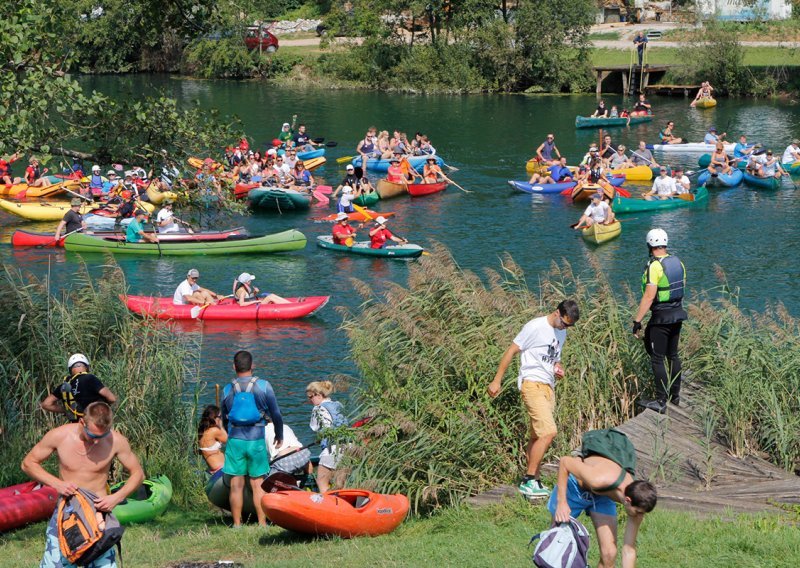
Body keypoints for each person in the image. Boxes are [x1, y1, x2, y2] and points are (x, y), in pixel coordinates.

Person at [22, 401, 144, 568]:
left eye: (101, 436)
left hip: (98, 514)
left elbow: (138, 474)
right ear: (82, 422)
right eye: (92, 436)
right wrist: (57, 484)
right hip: (67, 514)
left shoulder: (116, 441)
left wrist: (116, 497)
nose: (96, 442)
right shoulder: (59, 436)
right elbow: (28, 463)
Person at [487, 300, 580, 498]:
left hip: (548, 387)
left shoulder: (561, 332)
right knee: (549, 432)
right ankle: (528, 480)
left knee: (537, 436)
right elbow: (512, 350)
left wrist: (557, 368)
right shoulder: (535, 326)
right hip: (532, 384)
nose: (566, 328)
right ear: (557, 313)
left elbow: (554, 357)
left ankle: (535, 481)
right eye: (564, 323)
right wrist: (497, 380)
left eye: (569, 326)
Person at [549, 430, 658, 568]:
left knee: (609, 554)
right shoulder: (598, 479)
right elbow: (565, 462)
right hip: (575, 487)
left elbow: (629, 549)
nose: (640, 516)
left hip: (602, 497)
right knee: (557, 544)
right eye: (639, 512)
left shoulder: (637, 502)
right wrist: (562, 502)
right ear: (628, 500)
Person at [221, 350, 284, 527]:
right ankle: (262, 524)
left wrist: (229, 433)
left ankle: (237, 524)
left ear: (234, 367)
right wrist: (279, 434)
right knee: (257, 484)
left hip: (235, 440)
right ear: (252, 365)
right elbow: (276, 414)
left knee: (236, 484)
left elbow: (225, 417)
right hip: (256, 439)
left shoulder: (227, 389)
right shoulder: (263, 386)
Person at [632, 229, 687, 414]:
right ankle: (675, 395)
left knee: (657, 358)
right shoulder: (677, 262)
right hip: (677, 314)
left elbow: (649, 297)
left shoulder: (654, 266)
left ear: (649, 245)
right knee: (672, 355)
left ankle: (661, 401)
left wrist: (637, 321)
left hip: (661, 318)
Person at [40, 354, 117, 423]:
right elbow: (112, 398)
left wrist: (67, 410)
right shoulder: (90, 378)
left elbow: (46, 404)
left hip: (75, 424)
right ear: (86, 367)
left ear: (70, 369)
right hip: (94, 423)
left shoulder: (64, 385)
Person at [306, 380, 348, 493]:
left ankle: (327, 507)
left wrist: (320, 438)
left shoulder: (318, 409)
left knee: (321, 481)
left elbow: (314, 427)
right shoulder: (339, 405)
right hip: (348, 447)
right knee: (340, 484)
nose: (309, 400)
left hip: (332, 449)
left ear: (319, 395)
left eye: (310, 397)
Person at [198, 405, 227, 474]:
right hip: (221, 468)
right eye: (220, 417)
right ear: (214, 418)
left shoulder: (202, 431)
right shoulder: (214, 430)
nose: (221, 419)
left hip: (213, 468)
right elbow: (229, 441)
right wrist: (221, 426)